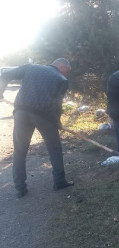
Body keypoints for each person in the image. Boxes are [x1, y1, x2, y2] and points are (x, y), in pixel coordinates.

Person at [0, 58, 74, 198]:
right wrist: (57, 121)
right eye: (67, 71)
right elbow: (57, 104)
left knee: (20, 151)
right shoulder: (62, 80)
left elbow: (4, 75)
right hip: (44, 116)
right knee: (54, 148)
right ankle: (59, 181)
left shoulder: (31, 67)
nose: (67, 74)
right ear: (62, 66)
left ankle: (20, 188)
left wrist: (0, 91)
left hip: (21, 112)